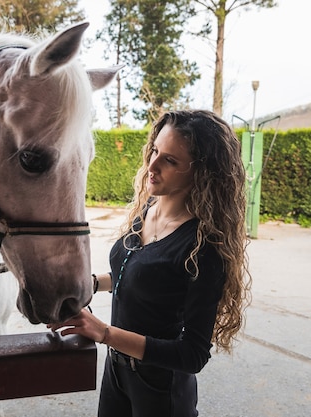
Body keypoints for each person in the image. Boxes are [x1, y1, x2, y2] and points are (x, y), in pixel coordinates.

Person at [49, 109, 251, 417]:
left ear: (202, 172)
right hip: (116, 372)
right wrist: (90, 284)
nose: (152, 164)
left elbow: (193, 354)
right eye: (155, 150)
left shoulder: (205, 246)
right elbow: (138, 276)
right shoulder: (148, 208)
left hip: (161, 389)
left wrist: (104, 333)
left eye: (170, 160)